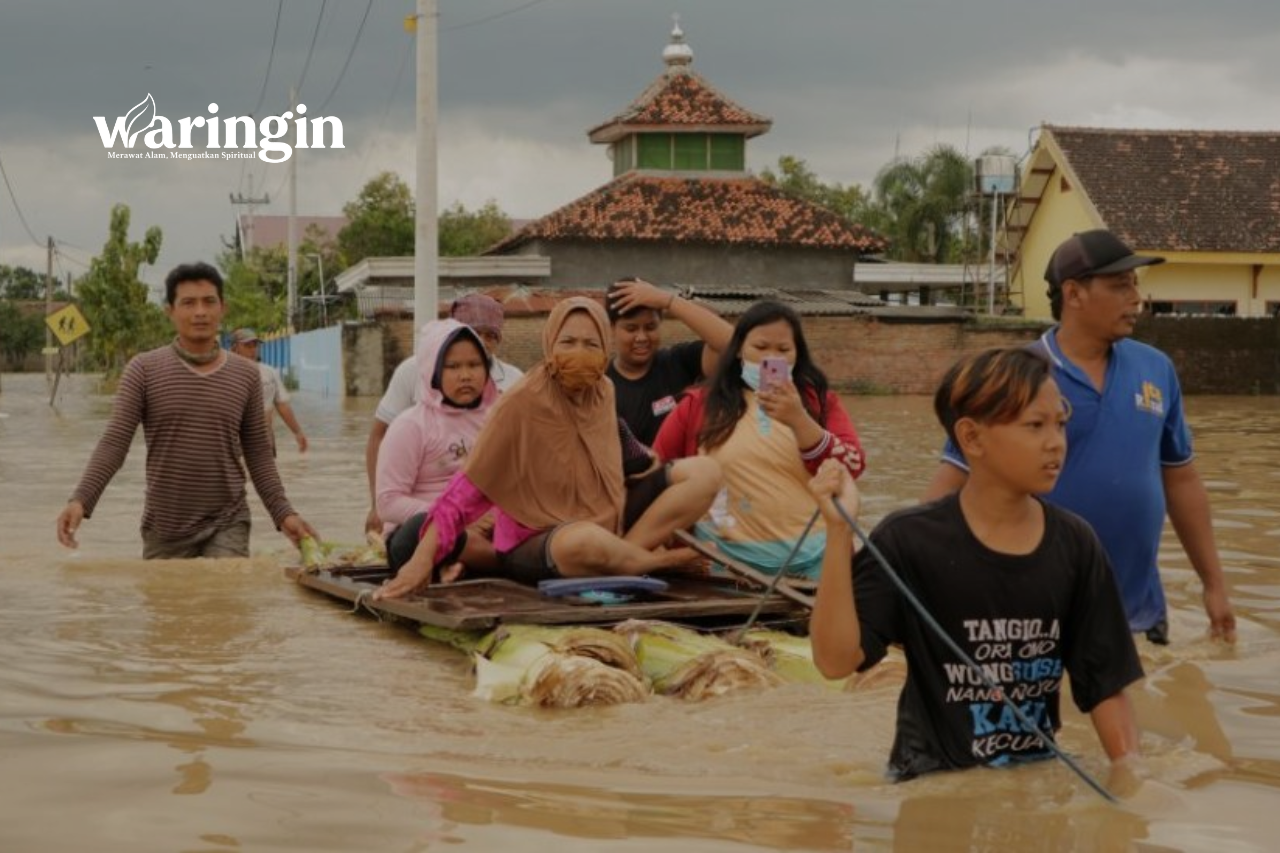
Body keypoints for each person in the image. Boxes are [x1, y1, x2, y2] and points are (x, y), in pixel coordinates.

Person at [809, 346, 1143, 781]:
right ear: (972, 438)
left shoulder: (1076, 544)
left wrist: (1131, 776)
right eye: (1035, 426)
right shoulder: (909, 540)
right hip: (931, 784)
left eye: (1060, 424)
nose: (1055, 443)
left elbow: (1105, 687)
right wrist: (838, 533)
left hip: (1032, 780)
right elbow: (835, 662)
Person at [922, 229, 1237, 645]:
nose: (1135, 297)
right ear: (1074, 293)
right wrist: (911, 577)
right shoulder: (1017, 375)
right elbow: (954, 481)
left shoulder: (1156, 369)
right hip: (1035, 616)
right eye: (1120, 285)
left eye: (1135, 284)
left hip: (1140, 615)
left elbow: (1181, 479)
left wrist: (1213, 584)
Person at [376, 296, 722, 600]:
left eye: (590, 344)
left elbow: (622, 462)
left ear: (605, 349)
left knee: (705, 472)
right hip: (538, 538)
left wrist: (651, 470)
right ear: (550, 344)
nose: (579, 354)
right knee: (582, 541)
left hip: (605, 520)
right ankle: (647, 562)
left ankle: (624, 556)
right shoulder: (522, 401)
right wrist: (423, 558)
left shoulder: (604, 391)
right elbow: (467, 489)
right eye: (567, 342)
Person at [56, 262, 318, 558]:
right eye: (188, 303)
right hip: (165, 527)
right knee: (170, 601)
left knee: (224, 599)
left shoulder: (246, 375)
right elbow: (115, 442)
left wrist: (284, 514)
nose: (200, 312)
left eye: (209, 301)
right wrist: (81, 500)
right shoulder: (143, 370)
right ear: (170, 310)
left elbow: (258, 452)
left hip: (228, 521)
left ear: (223, 308)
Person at [652, 300, 866, 578]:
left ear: (797, 355)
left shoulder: (819, 403)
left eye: (783, 350)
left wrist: (800, 420)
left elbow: (852, 466)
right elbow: (657, 473)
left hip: (815, 564)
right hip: (721, 566)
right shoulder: (698, 405)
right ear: (739, 349)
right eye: (761, 348)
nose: (770, 359)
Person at [364, 293, 523, 534]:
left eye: (491, 335)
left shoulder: (512, 388)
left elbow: (515, 468)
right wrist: (375, 505)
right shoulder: (412, 393)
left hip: (480, 523)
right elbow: (379, 437)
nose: (465, 375)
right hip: (423, 519)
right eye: (453, 366)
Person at [377, 318, 499, 550]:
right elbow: (387, 503)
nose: (465, 375)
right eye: (452, 367)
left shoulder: (497, 419)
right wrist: (458, 517)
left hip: (485, 529)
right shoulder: (410, 426)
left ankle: (469, 561)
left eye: (474, 365)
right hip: (422, 532)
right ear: (432, 371)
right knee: (423, 532)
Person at [605, 277, 734, 445]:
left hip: (680, 470)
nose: (642, 337)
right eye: (631, 328)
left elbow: (731, 343)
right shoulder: (601, 384)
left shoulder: (678, 362)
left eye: (650, 327)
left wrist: (668, 300)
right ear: (612, 328)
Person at [228, 328, 308, 454]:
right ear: (234, 348)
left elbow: (282, 405)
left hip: (264, 440)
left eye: (255, 345)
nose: (252, 349)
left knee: (267, 473)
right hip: (235, 442)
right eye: (247, 345)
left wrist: (297, 432)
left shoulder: (269, 372)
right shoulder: (225, 374)